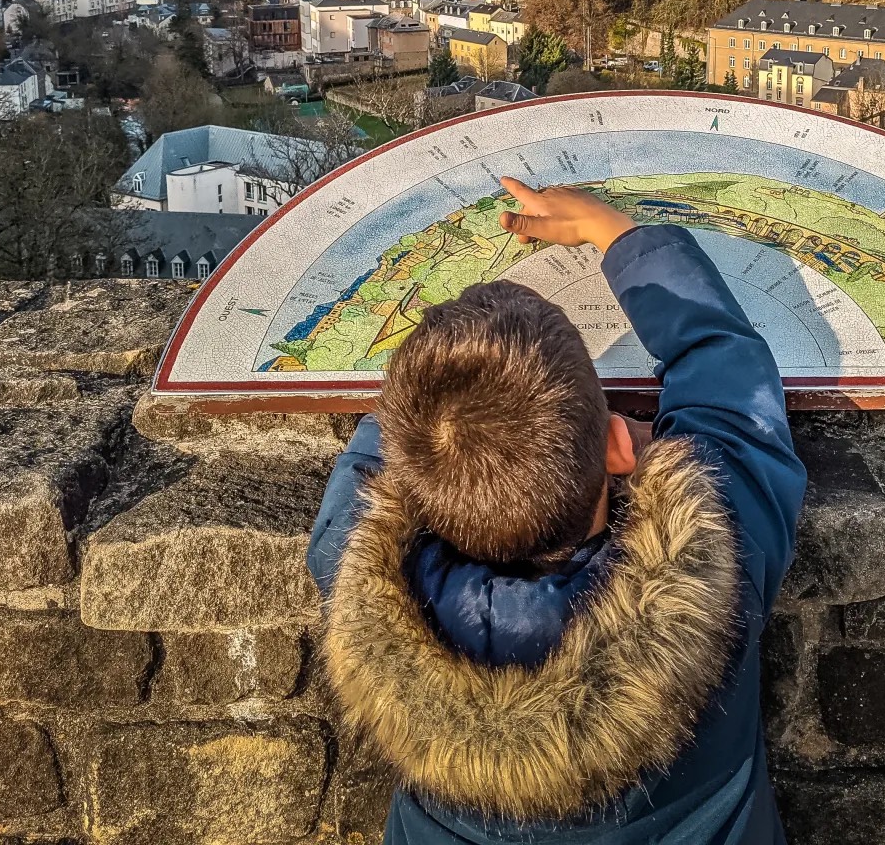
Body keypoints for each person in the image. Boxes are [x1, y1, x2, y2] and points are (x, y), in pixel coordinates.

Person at [307, 176, 807, 844]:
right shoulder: (723, 549)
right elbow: (727, 373)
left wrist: (444, 391)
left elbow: (377, 463)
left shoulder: (354, 575)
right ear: (619, 444)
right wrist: (615, 233)